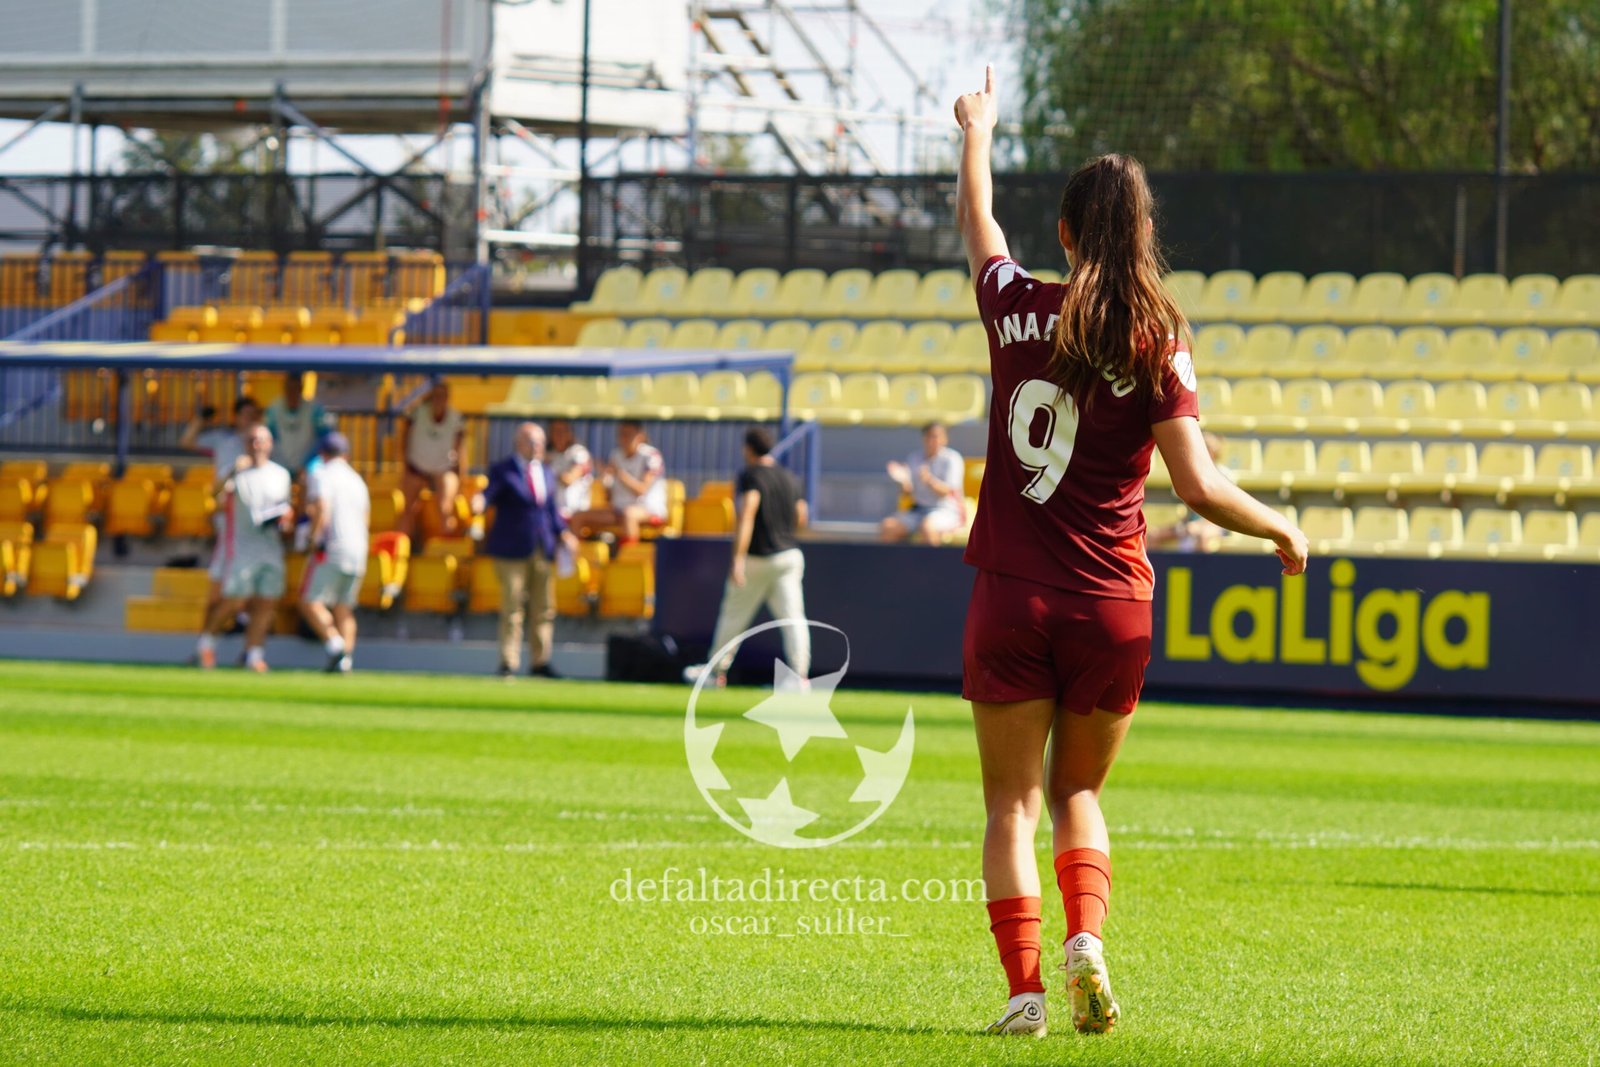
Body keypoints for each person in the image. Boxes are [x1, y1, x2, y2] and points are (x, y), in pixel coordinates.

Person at [951, 67, 1308, 1038]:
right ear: (1140, 235)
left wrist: (976, 130)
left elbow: (978, 222)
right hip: (1112, 602)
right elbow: (1196, 487)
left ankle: (1024, 993)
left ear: (1064, 234)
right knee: (1078, 791)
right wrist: (1277, 522)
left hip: (1011, 596)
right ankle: (1087, 941)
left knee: (1010, 804)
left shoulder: (1015, 301)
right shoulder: (1158, 337)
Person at [682, 429, 811, 689]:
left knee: (733, 616)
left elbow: (748, 512)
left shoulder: (751, 475)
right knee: (794, 618)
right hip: (788, 556)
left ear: (748, 449)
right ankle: (800, 677)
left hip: (757, 558)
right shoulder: (789, 478)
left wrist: (737, 558)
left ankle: (715, 673)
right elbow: (802, 515)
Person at [483, 423, 580, 678]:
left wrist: (564, 534)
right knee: (513, 607)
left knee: (544, 608)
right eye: (532, 442)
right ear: (519, 442)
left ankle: (540, 661)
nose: (537, 446)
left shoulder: (545, 472)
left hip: (541, 547)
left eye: (539, 442)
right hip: (511, 548)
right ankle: (508, 662)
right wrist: (479, 501)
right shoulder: (503, 470)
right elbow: (489, 494)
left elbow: (550, 509)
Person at [196, 424, 294, 673]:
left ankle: (254, 654)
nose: (257, 445)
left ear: (270, 444)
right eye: (252, 440)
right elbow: (215, 495)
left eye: (262, 440)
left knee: (265, 604)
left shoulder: (281, 475)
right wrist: (230, 473)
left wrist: (285, 520)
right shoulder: (237, 472)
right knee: (234, 601)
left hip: (271, 548)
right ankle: (207, 643)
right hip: (242, 548)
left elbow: (286, 508)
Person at [181, 396, 264, 612]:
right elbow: (187, 441)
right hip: (226, 510)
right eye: (246, 415)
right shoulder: (223, 439)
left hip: (251, 511)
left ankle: (235, 613)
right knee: (230, 563)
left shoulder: (262, 442)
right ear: (236, 417)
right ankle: (229, 613)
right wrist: (200, 419)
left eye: (253, 416)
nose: (249, 420)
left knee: (243, 563)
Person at [298, 433, 369, 674]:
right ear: (345, 454)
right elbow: (365, 519)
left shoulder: (321, 474)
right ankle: (345, 661)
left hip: (331, 547)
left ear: (322, 454)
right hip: (358, 550)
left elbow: (322, 508)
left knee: (309, 601)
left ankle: (335, 645)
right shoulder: (357, 480)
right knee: (344, 607)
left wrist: (313, 539)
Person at [569, 420, 667, 543]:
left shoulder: (651, 456)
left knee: (629, 515)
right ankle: (574, 556)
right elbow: (610, 496)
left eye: (628, 434)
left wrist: (619, 473)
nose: (623, 438)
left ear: (640, 436)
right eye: (621, 434)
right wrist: (605, 480)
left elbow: (641, 490)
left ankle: (630, 557)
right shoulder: (616, 455)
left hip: (649, 510)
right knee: (578, 516)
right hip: (618, 510)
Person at [880, 422, 966, 544]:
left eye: (937, 436)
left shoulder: (952, 459)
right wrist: (903, 481)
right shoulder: (914, 458)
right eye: (929, 436)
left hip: (946, 510)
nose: (933, 440)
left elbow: (947, 492)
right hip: (919, 510)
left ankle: (931, 563)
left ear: (945, 439)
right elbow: (908, 492)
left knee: (927, 527)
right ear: (924, 438)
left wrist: (929, 480)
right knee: (888, 527)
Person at [400, 380, 466, 538]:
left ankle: (445, 551)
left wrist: (461, 475)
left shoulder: (455, 418)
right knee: (406, 510)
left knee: (445, 508)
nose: (439, 399)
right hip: (416, 466)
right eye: (435, 395)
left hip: (443, 468)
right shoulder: (416, 413)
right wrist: (405, 464)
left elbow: (461, 450)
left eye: (443, 395)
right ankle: (400, 549)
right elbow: (403, 439)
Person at [1146, 432, 1231, 552]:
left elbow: (1222, 510)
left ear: (1213, 453)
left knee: (1203, 537)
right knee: (1153, 535)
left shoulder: (1223, 474)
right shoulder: (1191, 474)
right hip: (1190, 524)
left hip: (1216, 525)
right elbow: (1189, 508)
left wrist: (1198, 526)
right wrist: (1186, 525)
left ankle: (1201, 571)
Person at [264, 372, 334, 475]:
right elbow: (270, 438)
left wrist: (307, 463)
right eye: (289, 388)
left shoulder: (314, 409)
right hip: (279, 464)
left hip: (307, 467)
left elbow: (323, 438)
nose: (292, 392)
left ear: (301, 388)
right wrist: (279, 464)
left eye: (295, 388)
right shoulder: (273, 409)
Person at [547, 418, 594, 519]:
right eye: (555, 431)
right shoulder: (549, 454)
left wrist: (547, 469)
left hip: (576, 512)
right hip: (554, 512)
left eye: (562, 431)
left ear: (570, 433)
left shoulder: (579, 452)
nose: (559, 435)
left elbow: (569, 479)